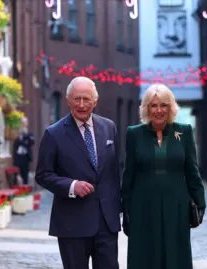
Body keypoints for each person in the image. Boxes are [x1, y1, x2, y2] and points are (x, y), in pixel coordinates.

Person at [35, 76, 121, 269]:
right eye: (77, 99)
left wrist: (119, 209)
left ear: (95, 101)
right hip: (72, 223)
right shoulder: (53, 134)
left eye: (86, 99)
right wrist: (72, 186)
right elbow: (43, 174)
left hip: (106, 223)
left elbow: (115, 173)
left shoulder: (109, 128)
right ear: (68, 100)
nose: (81, 104)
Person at [121, 84, 206, 269]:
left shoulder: (184, 132)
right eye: (153, 105)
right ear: (146, 108)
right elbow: (129, 173)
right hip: (142, 204)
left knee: (176, 255)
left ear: (170, 108)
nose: (158, 110)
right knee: (144, 255)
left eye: (163, 105)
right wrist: (125, 209)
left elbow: (192, 170)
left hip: (176, 204)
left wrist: (200, 201)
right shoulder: (134, 133)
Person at [13, 117, 35, 185]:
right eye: (22, 122)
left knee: (25, 173)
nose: (23, 124)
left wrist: (23, 141)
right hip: (18, 156)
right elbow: (16, 143)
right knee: (17, 174)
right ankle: (18, 189)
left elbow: (31, 142)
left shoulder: (29, 133)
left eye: (25, 122)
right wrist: (24, 141)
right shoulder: (17, 133)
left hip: (26, 156)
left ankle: (25, 188)